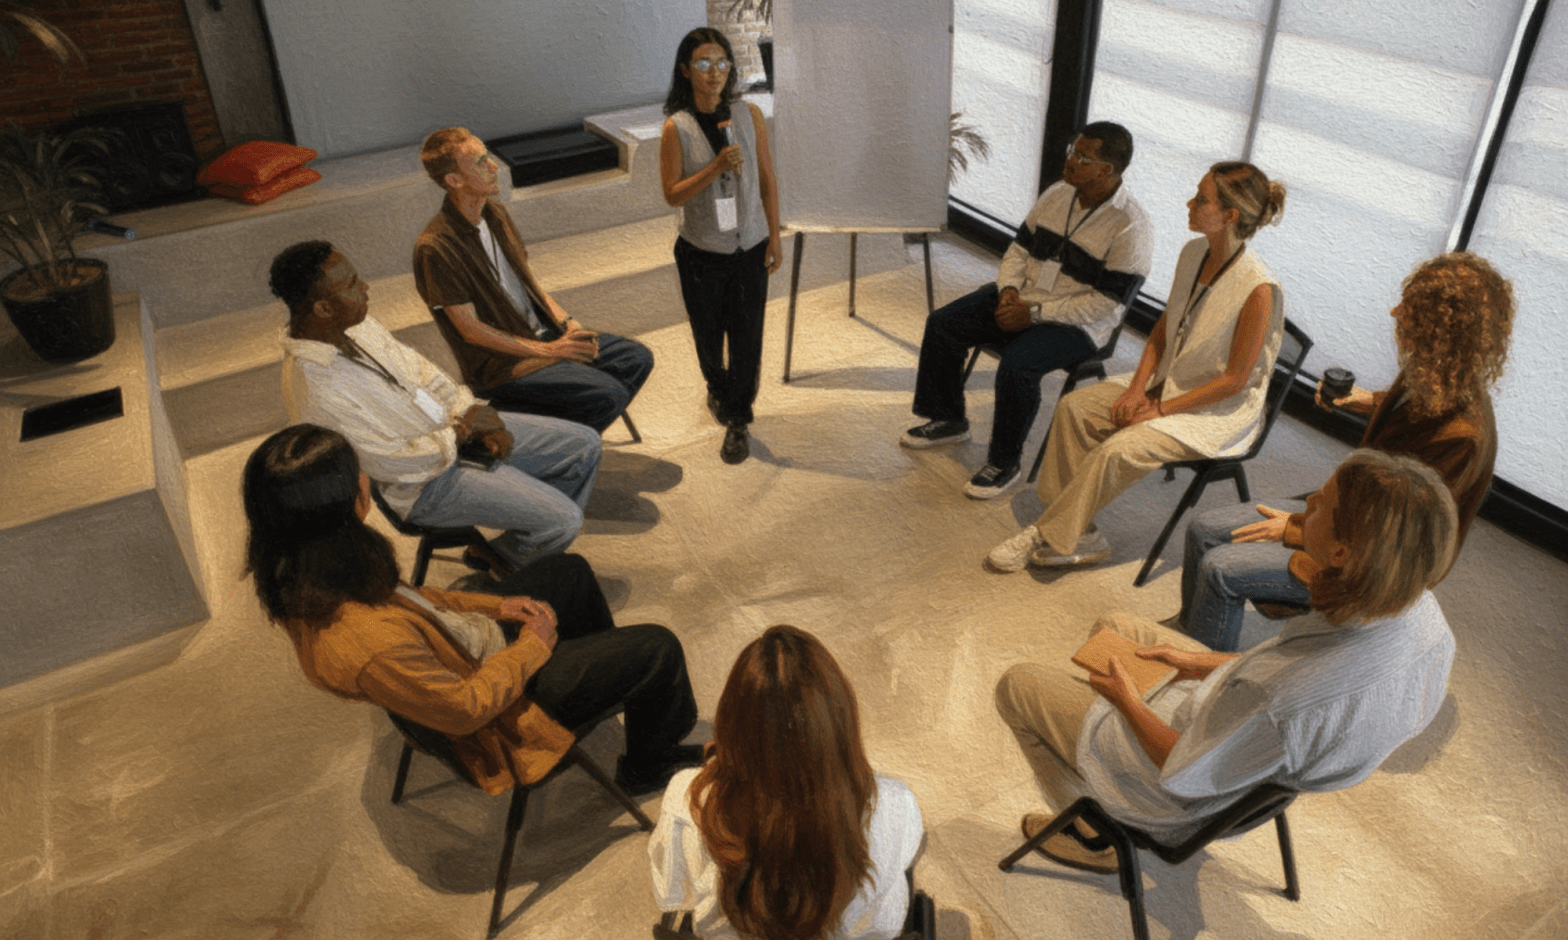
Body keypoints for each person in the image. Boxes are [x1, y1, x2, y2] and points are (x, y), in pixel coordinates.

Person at [994, 450, 1458, 872]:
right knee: (1113, 627)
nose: (1309, 501)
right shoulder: (1427, 619)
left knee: (1017, 686)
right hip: (1246, 746)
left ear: (1342, 552)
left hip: (1188, 788)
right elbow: (1277, 672)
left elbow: (1183, 768)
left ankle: (1095, 833)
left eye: (1322, 502)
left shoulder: (1281, 697)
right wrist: (1199, 663)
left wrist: (1127, 700)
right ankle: (1099, 802)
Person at [242, 424, 702, 796]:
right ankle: (646, 764)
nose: (365, 478)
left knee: (570, 571)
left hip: (465, 652)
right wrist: (533, 649)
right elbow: (465, 712)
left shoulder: (311, 568)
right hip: (496, 717)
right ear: (341, 506)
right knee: (658, 648)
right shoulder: (363, 643)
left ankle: (602, 689)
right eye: (354, 473)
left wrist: (497, 604)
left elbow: (418, 600)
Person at [1177, 251, 1513, 650]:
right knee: (1203, 529)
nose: (1395, 312)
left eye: (1410, 309)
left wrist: (1297, 529)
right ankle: (1192, 631)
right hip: (1346, 513)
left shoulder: (1462, 438)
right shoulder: (1435, 373)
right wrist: (1365, 400)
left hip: (1369, 562)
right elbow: (1415, 405)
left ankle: (1200, 678)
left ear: (1442, 332)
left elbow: (1394, 536)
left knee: (1220, 568)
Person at [986, 162, 1287, 572]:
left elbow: (1235, 381)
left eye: (1201, 199)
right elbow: (1165, 329)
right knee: (1075, 408)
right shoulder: (1194, 252)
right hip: (1171, 380)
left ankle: (1047, 532)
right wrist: (1136, 389)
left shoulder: (1259, 290)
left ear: (1230, 216)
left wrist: (1159, 409)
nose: (1189, 203)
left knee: (1119, 447)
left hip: (1216, 408)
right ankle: (1081, 531)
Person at [272, 240, 600, 572]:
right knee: (564, 520)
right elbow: (387, 463)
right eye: (353, 284)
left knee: (584, 445)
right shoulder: (314, 388)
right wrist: (461, 434)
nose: (366, 287)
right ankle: (514, 566)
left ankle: (515, 545)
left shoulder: (358, 326)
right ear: (323, 309)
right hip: (422, 486)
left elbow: (421, 374)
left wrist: (469, 411)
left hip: (453, 430)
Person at [903, 122, 1153, 499]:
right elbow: (1019, 250)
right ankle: (949, 418)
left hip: (1079, 325)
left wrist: (1033, 313)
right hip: (1024, 295)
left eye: (1082, 157)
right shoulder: (1058, 192)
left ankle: (1005, 463)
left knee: (1019, 364)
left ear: (1106, 170)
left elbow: (1105, 304)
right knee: (943, 323)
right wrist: (1008, 292)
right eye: (1072, 149)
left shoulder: (1132, 227)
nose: (1069, 160)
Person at [650, 625, 924, 940]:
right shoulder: (894, 802)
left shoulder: (686, 801)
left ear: (731, 721)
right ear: (839, 720)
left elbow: (669, 895)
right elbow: (895, 889)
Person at [413, 126, 654, 433]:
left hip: (544, 334)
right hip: (503, 365)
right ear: (454, 180)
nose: (494, 167)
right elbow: (470, 331)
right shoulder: (436, 246)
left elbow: (528, 283)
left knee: (635, 357)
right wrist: (553, 351)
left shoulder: (494, 214)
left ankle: (566, 432)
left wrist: (568, 322)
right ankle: (561, 442)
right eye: (480, 162)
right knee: (609, 393)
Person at [659, 27, 783, 465]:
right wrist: (714, 167)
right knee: (709, 337)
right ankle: (717, 388)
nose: (714, 74)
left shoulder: (748, 114)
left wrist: (774, 236)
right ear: (685, 70)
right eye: (704, 64)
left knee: (747, 337)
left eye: (722, 63)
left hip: (749, 246)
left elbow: (767, 179)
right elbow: (672, 194)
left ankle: (738, 419)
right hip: (701, 253)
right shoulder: (678, 127)